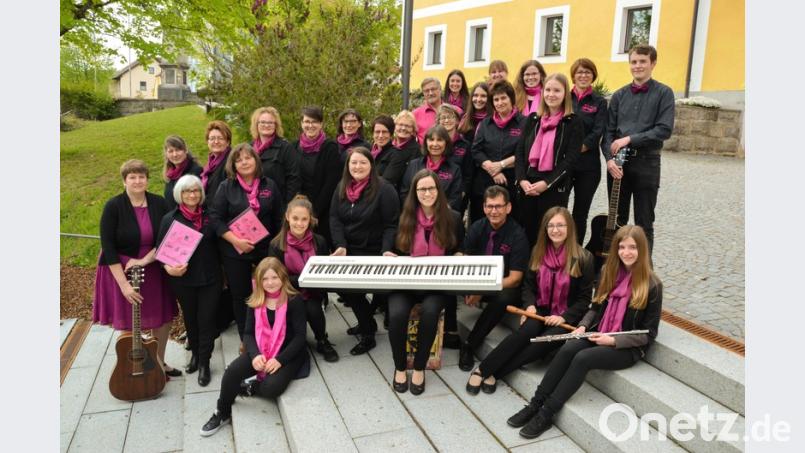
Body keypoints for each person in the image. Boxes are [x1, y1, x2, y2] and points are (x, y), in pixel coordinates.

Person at [507, 225, 662, 440]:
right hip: (599, 332)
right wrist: (582, 326)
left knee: (582, 358)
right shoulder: (609, 273)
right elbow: (595, 308)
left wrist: (612, 340)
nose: (626, 252)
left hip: (626, 346)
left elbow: (649, 333)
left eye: (633, 247)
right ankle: (534, 404)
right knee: (568, 347)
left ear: (642, 250)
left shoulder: (653, 285)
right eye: (622, 247)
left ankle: (546, 413)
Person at [465, 207, 593, 395]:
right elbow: (528, 286)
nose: (555, 230)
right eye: (551, 225)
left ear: (570, 228)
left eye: (560, 225)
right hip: (539, 308)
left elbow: (584, 299)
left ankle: (494, 372)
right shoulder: (538, 251)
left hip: (565, 315)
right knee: (524, 333)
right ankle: (482, 370)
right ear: (545, 229)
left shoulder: (583, 258)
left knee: (540, 343)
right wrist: (530, 305)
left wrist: (564, 317)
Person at [200, 258, 310, 437]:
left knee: (270, 388)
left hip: (288, 352)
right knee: (232, 372)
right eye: (265, 279)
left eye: (274, 277)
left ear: (282, 277)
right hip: (262, 348)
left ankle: (251, 388)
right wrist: (255, 354)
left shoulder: (294, 300)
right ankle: (222, 411)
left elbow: (300, 337)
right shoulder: (256, 299)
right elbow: (248, 333)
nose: (270, 283)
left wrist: (280, 360)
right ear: (259, 281)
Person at [93, 159, 181, 379]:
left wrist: (144, 261)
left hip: (151, 265)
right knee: (129, 318)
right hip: (120, 268)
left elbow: (166, 238)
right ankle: (133, 365)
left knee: (162, 317)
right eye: (132, 177)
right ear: (124, 181)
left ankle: (159, 362)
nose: (137, 181)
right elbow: (108, 247)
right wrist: (124, 285)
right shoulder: (113, 206)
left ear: (147, 180)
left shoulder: (159, 203)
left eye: (141, 176)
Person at [385, 170, 464, 395]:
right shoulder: (404, 217)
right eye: (422, 189)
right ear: (415, 192)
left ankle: (419, 367)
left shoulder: (454, 218)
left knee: (430, 313)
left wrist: (459, 254)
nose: (427, 193)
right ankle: (400, 367)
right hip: (406, 282)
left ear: (438, 190)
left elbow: (459, 247)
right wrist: (389, 254)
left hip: (436, 284)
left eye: (431, 188)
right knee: (397, 315)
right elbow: (394, 248)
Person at [603, 45, 675, 255]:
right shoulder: (618, 96)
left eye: (643, 61)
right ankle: (617, 272)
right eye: (634, 62)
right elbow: (607, 133)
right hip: (618, 166)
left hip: (647, 164)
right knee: (617, 220)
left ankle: (645, 276)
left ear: (652, 63)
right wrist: (609, 160)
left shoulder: (664, 93)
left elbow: (664, 130)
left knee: (644, 221)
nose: (638, 66)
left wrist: (629, 139)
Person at [330, 147, 400, 355]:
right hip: (348, 249)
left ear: (371, 165)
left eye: (362, 162)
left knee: (358, 290)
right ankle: (367, 323)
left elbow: (391, 224)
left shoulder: (384, 189)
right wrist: (340, 244)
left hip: (374, 250)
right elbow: (334, 218)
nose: (357, 166)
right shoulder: (342, 187)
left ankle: (368, 333)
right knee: (345, 290)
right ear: (348, 166)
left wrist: (386, 249)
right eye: (353, 163)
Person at [209, 144, 284, 340]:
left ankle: (272, 332)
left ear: (256, 160)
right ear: (233, 165)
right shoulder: (226, 187)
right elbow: (215, 218)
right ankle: (246, 337)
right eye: (239, 159)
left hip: (265, 250)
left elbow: (279, 218)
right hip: (235, 250)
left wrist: (276, 248)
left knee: (270, 290)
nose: (244, 162)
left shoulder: (270, 185)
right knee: (240, 295)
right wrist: (236, 241)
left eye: (248, 158)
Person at [157, 175, 221, 386]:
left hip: (210, 278)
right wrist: (168, 268)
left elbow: (222, 245)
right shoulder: (169, 219)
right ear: (179, 195)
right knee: (191, 319)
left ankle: (204, 362)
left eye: (195, 190)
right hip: (183, 280)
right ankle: (194, 352)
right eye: (187, 191)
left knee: (207, 320)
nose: (192, 195)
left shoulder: (211, 216)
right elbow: (161, 252)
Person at [458, 186, 528, 372]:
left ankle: (469, 345)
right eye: (490, 206)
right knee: (449, 282)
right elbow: (466, 262)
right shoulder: (477, 227)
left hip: (502, 287)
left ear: (508, 207)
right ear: (484, 207)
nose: (494, 211)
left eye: (498, 206)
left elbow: (515, 279)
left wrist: (481, 290)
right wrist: (472, 286)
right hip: (477, 282)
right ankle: (448, 331)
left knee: (504, 297)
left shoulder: (518, 235)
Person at [514, 73, 583, 248]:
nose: (551, 94)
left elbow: (572, 159)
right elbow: (520, 152)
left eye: (557, 91)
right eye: (548, 90)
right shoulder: (533, 120)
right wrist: (521, 180)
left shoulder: (573, 122)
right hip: (528, 185)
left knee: (550, 235)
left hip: (553, 186)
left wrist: (547, 182)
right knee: (527, 233)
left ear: (565, 94)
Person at [268, 195, 339, 362]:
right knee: (297, 306)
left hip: (313, 292)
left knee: (313, 309)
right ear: (287, 217)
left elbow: (323, 272)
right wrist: (305, 278)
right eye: (295, 218)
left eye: (304, 219)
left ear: (310, 220)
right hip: (287, 292)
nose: (299, 223)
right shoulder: (276, 245)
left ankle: (322, 340)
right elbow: (276, 278)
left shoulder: (319, 242)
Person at [470, 80, 526, 223]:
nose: (500, 102)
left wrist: (501, 165)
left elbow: (527, 152)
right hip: (485, 183)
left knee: (512, 223)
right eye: (496, 99)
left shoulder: (524, 123)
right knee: (482, 223)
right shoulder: (485, 124)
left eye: (503, 98)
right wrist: (493, 169)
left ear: (511, 99)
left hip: (513, 182)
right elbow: (476, 150)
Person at [569, 58, 608, 244]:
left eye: (587, 72)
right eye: (579, 72)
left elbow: (598, 132)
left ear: (593, 75)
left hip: (588, 167)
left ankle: (575, 255)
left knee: (580, 213)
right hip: (563, 164)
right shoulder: (564, 98)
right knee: (557, 209)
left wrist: (578, 149)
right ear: (573, 75)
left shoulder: (599, 102)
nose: (583, 75)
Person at [292, 106, 341, 247]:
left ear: (321, 124)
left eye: (314, 122)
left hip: (322, 212)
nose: (310, 125)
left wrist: (314, 212)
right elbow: (292, 179)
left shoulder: (330, 147)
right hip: (298, 212)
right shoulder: (294, 147)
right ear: (301, 123)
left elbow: (331, 183)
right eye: (307, 121)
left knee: (319, 248)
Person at [399, 125, 463, 212]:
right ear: (426, 142)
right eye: (431, 140)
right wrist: (418, 211)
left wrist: (435, 212)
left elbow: (455, 199)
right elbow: (404, 192)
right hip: (415, 216)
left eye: (440, 140)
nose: (435, 144)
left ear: (446, 143)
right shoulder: (413, 165)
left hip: (442, 217)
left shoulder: (455, 169)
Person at [249, 106, 301, 203]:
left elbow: (294, 180)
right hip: (250, 204)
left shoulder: (286, 148)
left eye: (270, 122)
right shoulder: (248, 148)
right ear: (256, 124)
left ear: (276, 125)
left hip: (276, 205)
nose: (266, 125)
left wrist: (286, 207)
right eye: (263, 122)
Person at [438, 104, 473, 213]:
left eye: (451, 117)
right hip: (436, 191)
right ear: (438, 121)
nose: (447, 120)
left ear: (457, 121)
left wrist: (462, 193)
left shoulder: (465, 145)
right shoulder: (433, 142)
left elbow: (469, 173)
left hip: (457, 195)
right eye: (443, 117)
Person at [162, 135, 202, 211]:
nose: (175, 154)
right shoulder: (170, 174)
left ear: (185, 150)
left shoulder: (195, 171)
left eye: (178, 150)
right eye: (171, 151)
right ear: (166, 154)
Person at [370, 115, 409, 191]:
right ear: (373, 134)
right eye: (377, 132)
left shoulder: (397, 155)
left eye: (384, 132)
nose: (380, 136)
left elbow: (386, 183)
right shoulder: (368, 152)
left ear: (390, 134)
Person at [200, 121, 233, 202]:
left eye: (220, 138)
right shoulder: (210, 164)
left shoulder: (231, 162)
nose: (216, 142)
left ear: (228, 142)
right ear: (207, 142)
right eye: (212, 138)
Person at [458, 81, 492, 154]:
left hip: (486, 162)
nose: (478, 99)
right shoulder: (464, 118)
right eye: (475, 95)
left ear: (489, 98)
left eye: (483, 96)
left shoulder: (494, 120)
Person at [413, 77, 444, 143]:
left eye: (433, 89)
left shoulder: (454, 111)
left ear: (440, 89)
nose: (430, 93)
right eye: (426, 91)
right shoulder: (415, 114)